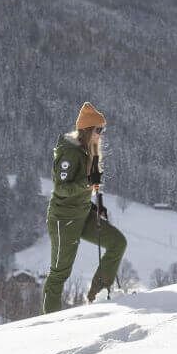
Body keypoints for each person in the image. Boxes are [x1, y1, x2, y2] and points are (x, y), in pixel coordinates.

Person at [43, 102, 127, 313]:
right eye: (99, 130)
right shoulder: (70, 153)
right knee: (59, 273)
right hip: (64, 220)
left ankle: (97, 295)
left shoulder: (88, 150)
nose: (102, 134)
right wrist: (88, 182)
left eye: (103, 130)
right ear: (87, 130)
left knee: (117, 243)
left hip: (83, 214)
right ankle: (48, 321)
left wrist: (94, 207)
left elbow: (85, 186)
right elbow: (61, 188)